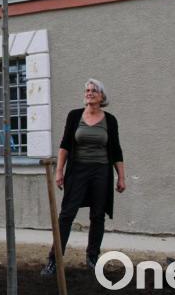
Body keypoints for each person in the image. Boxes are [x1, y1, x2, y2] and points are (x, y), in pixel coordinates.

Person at [41, 78, 127, 276]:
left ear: (101, 96)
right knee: (67, 214)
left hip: (101, 171)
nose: (89, 93)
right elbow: (64, 145)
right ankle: (54, 260)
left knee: (98, 216)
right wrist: (59, 171)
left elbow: (116, 151)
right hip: (77, 170)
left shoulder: (110, 120)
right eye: (87, 90)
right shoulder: (74, 116)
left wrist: (121, 177)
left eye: (94, 91)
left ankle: (92, 258)